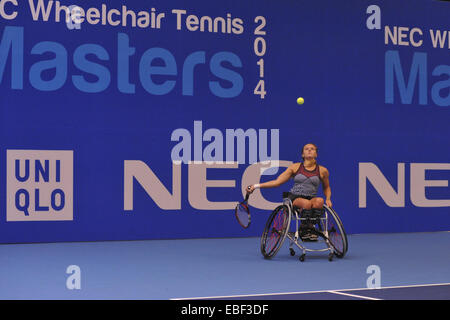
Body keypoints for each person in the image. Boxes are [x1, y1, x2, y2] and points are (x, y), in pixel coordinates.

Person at [247, 143, 331, 240]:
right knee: (306, 203)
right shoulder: (294, 167)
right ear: (302, 155)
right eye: (306, 149)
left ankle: (310, 227)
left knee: (320, 200)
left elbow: (327, 187)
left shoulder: (323, 170)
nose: (309, 150)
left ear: (316, 154)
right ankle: (304, 228)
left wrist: (328, 198)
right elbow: (277, 182)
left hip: (311, 197)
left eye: (312, 149)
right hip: (295, 197)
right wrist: (255, 186)